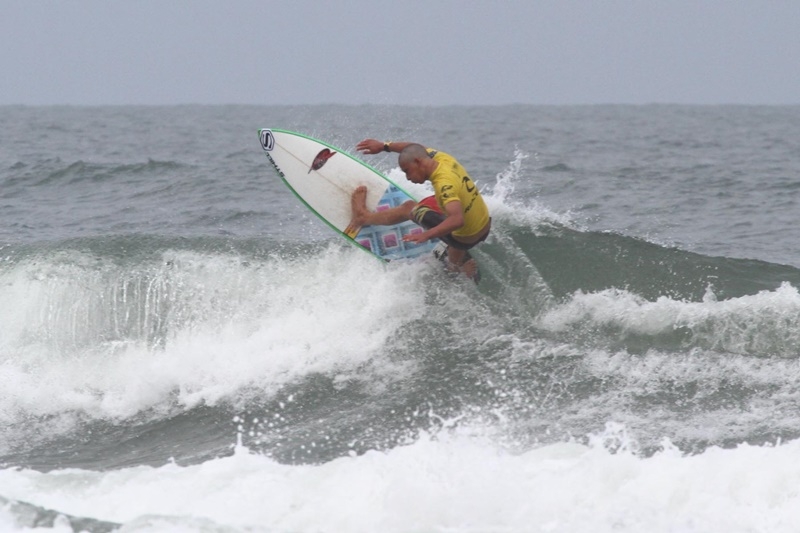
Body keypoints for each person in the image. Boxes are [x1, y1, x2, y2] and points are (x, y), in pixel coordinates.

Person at [348, 138, 491, 279]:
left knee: (409, 207)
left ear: (418, 162)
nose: (408, 177)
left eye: (407, 171)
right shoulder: (443, 159)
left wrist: (427, 235)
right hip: (484, 225)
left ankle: (363, 217)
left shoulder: (444, 184)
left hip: (464, 237)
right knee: (438, 201)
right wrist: (384, 146)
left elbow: (457, 220)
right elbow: (413, 147)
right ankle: (454, 264)